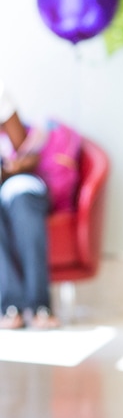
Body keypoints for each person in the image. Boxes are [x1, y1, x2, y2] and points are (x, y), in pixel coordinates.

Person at [0, 83, 58, 330]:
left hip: (15, 180)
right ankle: (10, 306)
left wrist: (10, 169)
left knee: (23, 199)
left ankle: (39, 306)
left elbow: (25, 155)